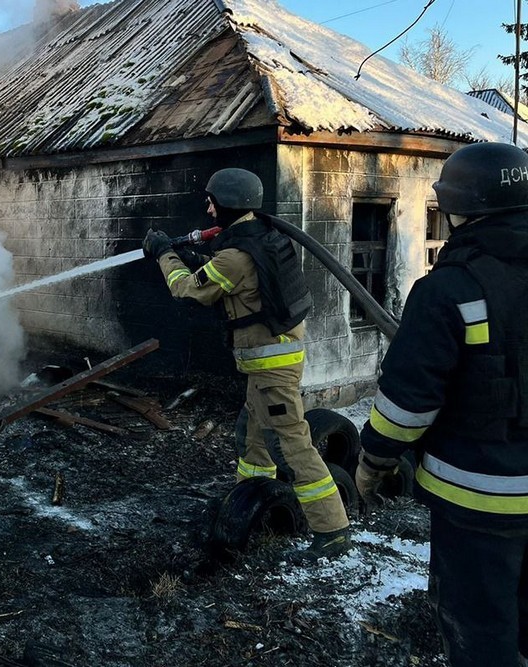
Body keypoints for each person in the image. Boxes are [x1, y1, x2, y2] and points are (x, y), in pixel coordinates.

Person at [354, 141, 528, 667]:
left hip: (480, 503)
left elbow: (406, 406)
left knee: (481, 632)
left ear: (458, 212)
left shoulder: (448, 290)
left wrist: (373, 460)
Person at [143, 167, 350, 561]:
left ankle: (333, 530)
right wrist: (190, 255)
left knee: (292, 446)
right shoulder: (254, 236)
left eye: (211, 202)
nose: (207, 209)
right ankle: (252, 503)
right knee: (252, 438)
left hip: (272, 367)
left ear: (228, 204)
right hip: (266, 362)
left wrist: (164, 255)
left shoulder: (236, 256)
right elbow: (223, 272)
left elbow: (187, 291)